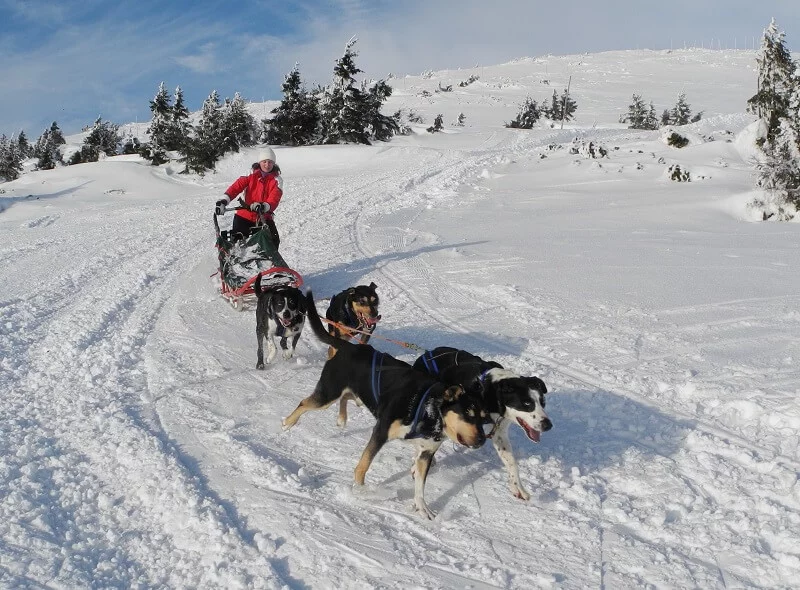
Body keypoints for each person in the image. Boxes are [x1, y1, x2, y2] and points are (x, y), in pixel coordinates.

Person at [216, 147, 283, 248]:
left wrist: (264, 206)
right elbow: (235, 188)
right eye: (264, 161)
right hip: (244, 215)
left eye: (270, 162)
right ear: (260, 162)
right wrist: (224, 200)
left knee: (273, 241)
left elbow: (274, 198)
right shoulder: (250, 174)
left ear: (274, 164)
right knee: (238, 241)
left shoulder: (277, 180)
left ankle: (271, 263)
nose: (267, 165)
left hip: (264, 216)